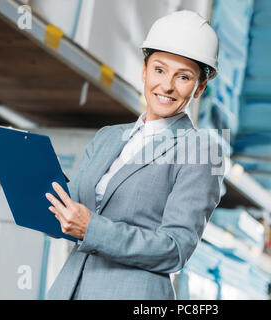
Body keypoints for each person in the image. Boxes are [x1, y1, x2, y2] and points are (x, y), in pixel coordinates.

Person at [45, 10, 225, 300]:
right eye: (159, 69)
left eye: (183, 77)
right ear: (144, 70)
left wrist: (92, 228)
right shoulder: (108, 136)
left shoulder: (202, 152)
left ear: (200, 87)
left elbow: (175, 249)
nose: (166, 85)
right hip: (69, 289)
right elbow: (72, 212)